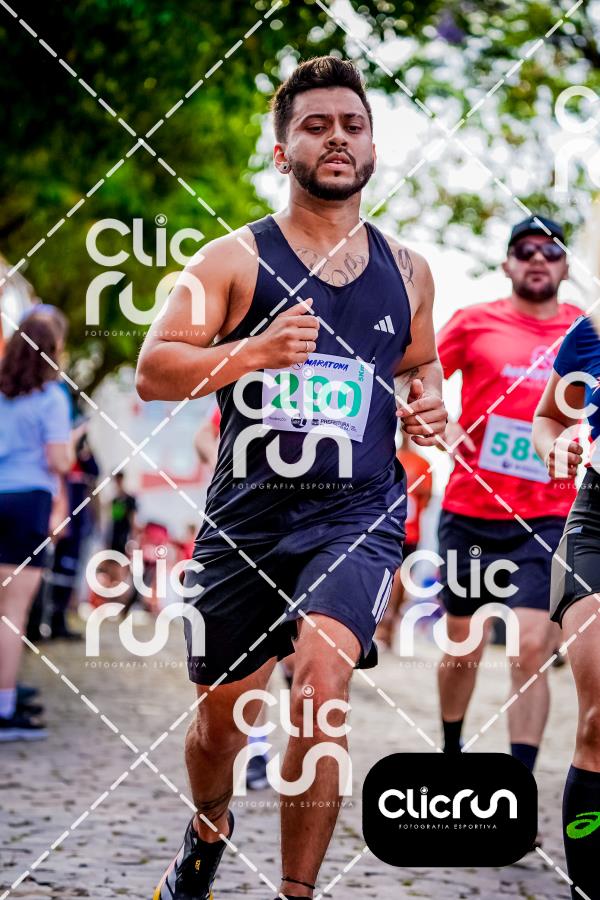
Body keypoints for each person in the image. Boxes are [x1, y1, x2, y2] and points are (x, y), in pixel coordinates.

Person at [136, 56, 446, 900]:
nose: (337, 138)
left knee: (320, 684)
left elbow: (418, 363)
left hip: (356, 512)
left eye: (352, 125)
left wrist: (426, 403)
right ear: (282, 152)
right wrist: (253, 353)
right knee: (220, 721)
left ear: (372, 145)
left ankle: (297, 893)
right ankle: (208, 828)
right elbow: (154, 370)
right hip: (247, 521)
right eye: (316, 126)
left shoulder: (409, 269)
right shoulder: (232, 259)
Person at [436, 215, 581, 777]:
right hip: (470, 510)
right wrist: (444, 424)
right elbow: (416, 375)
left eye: (551, 249)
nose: (538, 258)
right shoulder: (474, 322)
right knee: (463, 645)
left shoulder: (584, 331)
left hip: (549, 513)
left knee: (530, 646)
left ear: (565, 265)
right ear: (506, 264)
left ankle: (518, 776)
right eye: (525, 249)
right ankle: (451, 747)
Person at [533, 310, 600, 899]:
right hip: (596, 523)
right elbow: (550, 416)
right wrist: (554, 447)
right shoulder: (593, 330)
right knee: (599, 719)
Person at [0, 316, 72, 741]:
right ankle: (5, 709)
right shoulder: (51, 397)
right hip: (29, 501)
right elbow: (59, 460)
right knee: (12, 614)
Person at [376, 433, 433, 648]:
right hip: (387, 529)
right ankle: (383, 625)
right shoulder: (388, 458)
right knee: (392, 577)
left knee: (401, 579)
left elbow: (426, 499)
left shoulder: (422, 464)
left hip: (410, 532)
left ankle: (389, 626)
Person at [107, 472, 137, 554]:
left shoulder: (130, 499)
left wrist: (132, 535)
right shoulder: (114, 500)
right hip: (114, 535)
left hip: (125, 534)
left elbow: (133, 518)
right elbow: (111, 519)